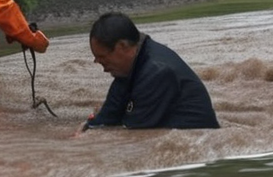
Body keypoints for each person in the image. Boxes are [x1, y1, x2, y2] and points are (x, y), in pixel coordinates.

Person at [79, 12, 220, 131]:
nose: (98, 62)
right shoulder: (128, 69)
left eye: (102, 57)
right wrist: (88, 128)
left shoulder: (156, 72)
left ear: (122, 46)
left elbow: (134, 135)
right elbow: (107, 118)